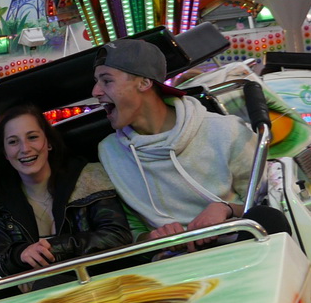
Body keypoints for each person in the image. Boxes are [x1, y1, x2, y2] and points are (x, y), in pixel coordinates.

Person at [92, 39, 283, 242]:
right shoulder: (109, 151)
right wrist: (156, 237)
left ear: (144, 83)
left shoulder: (226, 131)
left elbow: (268, 203)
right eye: (96, 82)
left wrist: (224, 209)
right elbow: (132, 231)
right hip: (171, 261)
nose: (95, 91)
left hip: (241, 245)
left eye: (107, 81)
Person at [0, 104, 131, 277]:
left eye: (32, 137)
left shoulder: (88, 176)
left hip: (100, 281)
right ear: (5, 152)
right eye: (13, 142)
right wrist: (21, 255)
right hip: (40, 295)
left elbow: (117, 236)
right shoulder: (0, 201)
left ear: (48, 143)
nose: (25, 148)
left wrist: (56, 247)